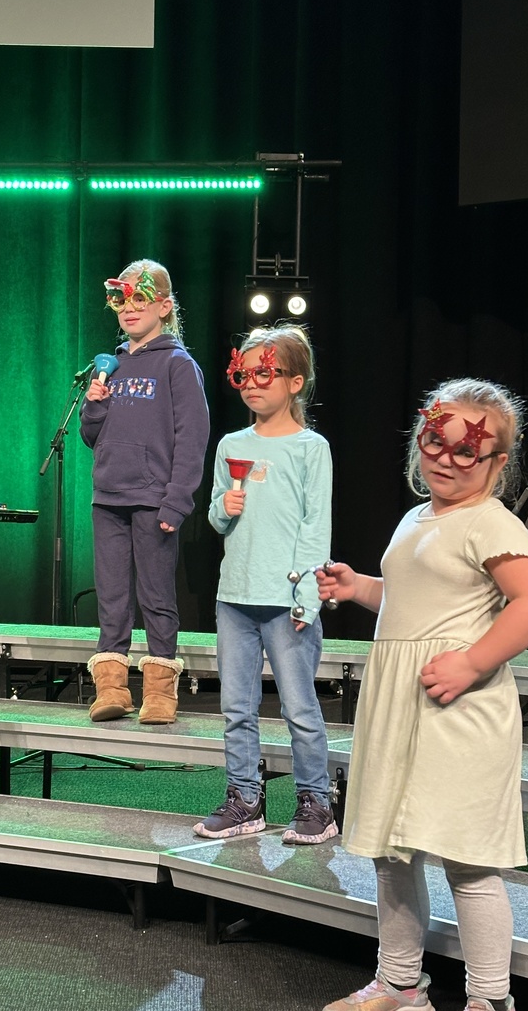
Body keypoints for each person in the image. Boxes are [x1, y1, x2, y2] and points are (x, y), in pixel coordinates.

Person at [318, 378, 528, 1011]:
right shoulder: (417, 517)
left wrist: (472, 662)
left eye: (466, 450)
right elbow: (411, 601)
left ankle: (489, 999)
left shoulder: (491, 522)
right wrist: (360, 587)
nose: (446, 459)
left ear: (497, 462)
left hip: (458, 710)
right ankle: (400, 984)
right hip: (399, 705)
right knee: (391, 852)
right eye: (434, 442)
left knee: (469, 863)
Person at [194, 324, 338, 844]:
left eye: (265, 374)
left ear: (295, 382)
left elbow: (315, 527)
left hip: (286, 599)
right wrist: (224, 507)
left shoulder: (310, 448)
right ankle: (245, 800)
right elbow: (216, 518)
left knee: (299, 708)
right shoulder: (232, 444)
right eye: (243, 375)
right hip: (235, 595)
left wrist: (306, 597)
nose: (252, 384)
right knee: (236, 708)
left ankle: (316, 802)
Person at [80, 259, 209, 725]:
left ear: (164, 305)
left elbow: (192, 438)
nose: (129, 307)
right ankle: (112, 688)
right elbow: (92, 437)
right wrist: (93, 407)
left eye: (140, 298)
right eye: (121, 299)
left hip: (154, 498)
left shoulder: (177, 364)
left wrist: (178, 499)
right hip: (108, 497)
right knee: (112, 596)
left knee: (156, 595)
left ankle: (159, 692)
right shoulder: (112, 365)